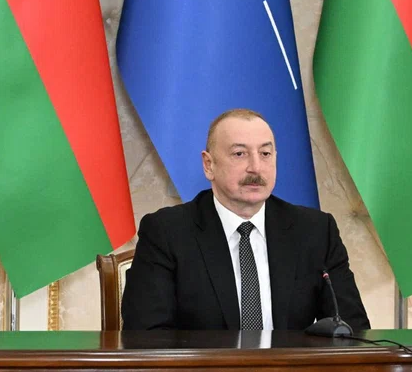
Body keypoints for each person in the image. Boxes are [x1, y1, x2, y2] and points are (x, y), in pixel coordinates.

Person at [121, 108, 369, 331]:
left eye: (265, 153)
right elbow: (146, 334)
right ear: (209, 165)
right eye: (240, 154)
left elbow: (351, 329)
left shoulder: (315, 231)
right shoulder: (167, 232)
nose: (256, 167)